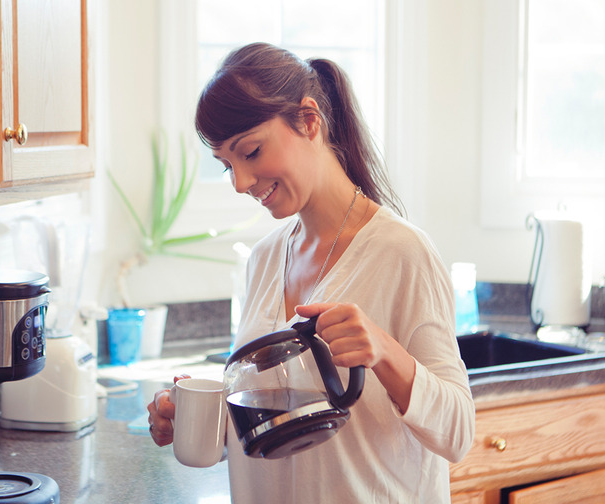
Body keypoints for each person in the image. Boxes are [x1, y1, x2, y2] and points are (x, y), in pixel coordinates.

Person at [147, 42, 475, 503]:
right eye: (226, 165)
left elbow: (458, 432)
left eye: (251, 152)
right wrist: (199, 421)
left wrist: (383, 350)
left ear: (309, 119)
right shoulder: (263, 259)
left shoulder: (404, 253)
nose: (240, 183)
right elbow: (280, 421)